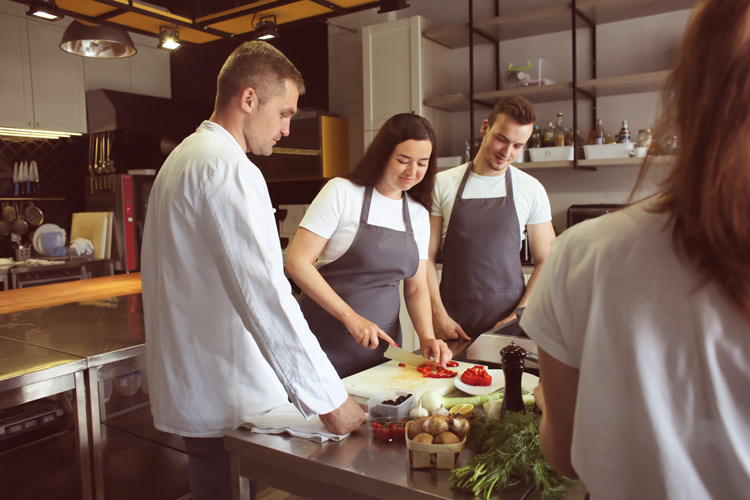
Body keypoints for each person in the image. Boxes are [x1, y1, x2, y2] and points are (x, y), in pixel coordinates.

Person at [520, 1, 750, 498]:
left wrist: (550, 393)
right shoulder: (449, 186)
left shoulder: (583, 249)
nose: (508, 151)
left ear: (684, 94)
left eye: (518, 144)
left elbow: (565, 455)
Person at [140, 41, 365, 500]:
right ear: (248, 99)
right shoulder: (227, 168)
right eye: (284, 113)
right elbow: (265, 293)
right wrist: (329, 399)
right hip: (230, 396)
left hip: (202, 387)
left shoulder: (182, 158)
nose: (286, 129)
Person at [285, 113, 452, 378]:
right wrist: (350, 317)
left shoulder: (418, 213)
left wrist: (427, 337)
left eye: (422, 163)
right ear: (383, 154)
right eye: (403, 160)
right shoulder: (341, 192)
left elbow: (417, 286)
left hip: (381, 350)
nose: (412, 171)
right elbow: (296, 262)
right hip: (323, 343)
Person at [427, 96, 556, 340]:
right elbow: (425, 257)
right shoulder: (442, 184)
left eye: (518, 146)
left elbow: (548, 259)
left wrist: (520, 313)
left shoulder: (530, 188)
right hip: (452, 322)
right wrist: (437, 314)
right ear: (485, 127)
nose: (507, 152)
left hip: (509, 323)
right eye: (502, 139)